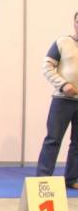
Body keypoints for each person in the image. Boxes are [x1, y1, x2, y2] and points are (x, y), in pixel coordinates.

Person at [36, 11, 78, 190]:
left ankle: (72, 178)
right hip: (62, 100)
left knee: (77, 143)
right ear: (74, 22)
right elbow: (47, 67)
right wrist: (63, 85)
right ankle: (42, 178)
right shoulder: (62, 42)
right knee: (53, 139)